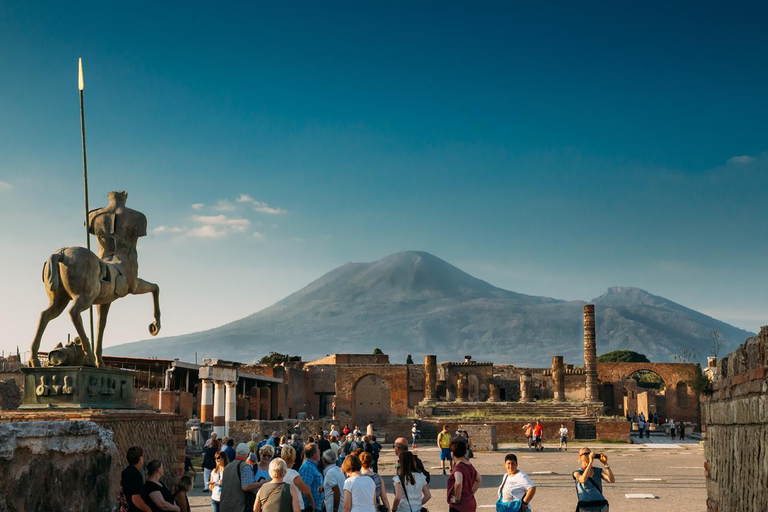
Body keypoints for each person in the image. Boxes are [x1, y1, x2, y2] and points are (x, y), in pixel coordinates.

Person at [221, 443, 260, 512]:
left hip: (225, 505)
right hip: (238, 506)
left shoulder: (227, 467)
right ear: (248, 455)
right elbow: (246, 486)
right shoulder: (244, 467)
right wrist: (261, 483)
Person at [573, 447, 615, 512]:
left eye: (589, 453)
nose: (589, 455)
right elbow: (583, 480)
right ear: (580, 458)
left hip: (601, 506)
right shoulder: (577, 472)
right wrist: (590, 463)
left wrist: (605, 464)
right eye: (586, 453)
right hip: (586, 507)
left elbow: (611, 480)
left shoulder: (598, 471)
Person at [447, 438, 480, 512]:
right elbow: (479, 479)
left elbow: (458, 483)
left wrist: (457, 499)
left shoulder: (458, 467)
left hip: (460, 507)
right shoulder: (469, 465)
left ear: (452, 453)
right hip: (470, 503)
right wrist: (470, 493)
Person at [281, 445, 316, 512]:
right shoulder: (293, 474)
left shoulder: (278, 473)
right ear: (294, 457)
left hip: (283, 506)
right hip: (296, 507)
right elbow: (306, 490)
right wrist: (312, 502)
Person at [121, 446, 152, 512]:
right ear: (140, 458)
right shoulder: (136, 475)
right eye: (142, 456)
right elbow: (135, 498)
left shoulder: (125, 472)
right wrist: (148, 510)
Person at [300, 443, 325, 512]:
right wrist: (312, 503)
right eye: (318, 451)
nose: (320, 452)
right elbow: (305, 488)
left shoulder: (313, 466)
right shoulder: (307, 468)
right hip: (311, 508)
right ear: (314, 454)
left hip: (317, 505)